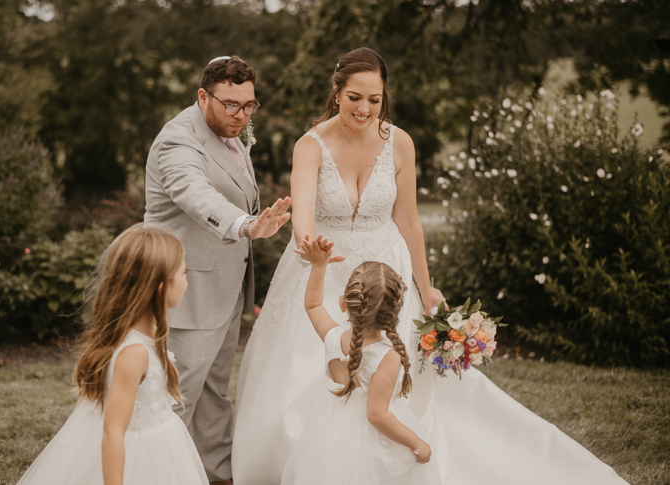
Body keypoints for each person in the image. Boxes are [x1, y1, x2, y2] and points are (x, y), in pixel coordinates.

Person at [233, 47, 629, 485]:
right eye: (354, 98)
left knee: (397, 372)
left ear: (384, 98)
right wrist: (311, 248)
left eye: (375, 99)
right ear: (336, 92)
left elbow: (408, 219)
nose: (364, 109)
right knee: (306, 369)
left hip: (387, 271)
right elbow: (303, 208)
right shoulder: (310, 146)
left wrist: (427, 287)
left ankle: (394, 450)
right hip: (323, 265)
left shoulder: (399, 142)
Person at [143, 55, 291, 484]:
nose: (240, 116)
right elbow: (196, 194)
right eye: (230, 105)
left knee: (213, 392)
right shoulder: (177, 141)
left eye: (249, 106)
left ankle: (214, 473)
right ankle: (161, 475)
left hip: (224, 288)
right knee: (177, 395)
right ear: (203, 96)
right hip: (186, 291)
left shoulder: (230, 133)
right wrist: (247, 225)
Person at [17, 225, 208, 485]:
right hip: (135, 451)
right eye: (184, 273)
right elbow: (113, 433)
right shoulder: (133, 354)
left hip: (161, 439)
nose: (188, 281)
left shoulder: (150, 330)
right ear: (162, 287)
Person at [281, 234, 442, 485]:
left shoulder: (333, 337)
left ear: (344, 304)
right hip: (370, 444)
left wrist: (319, 265)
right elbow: (377, 415)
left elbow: (313, 305)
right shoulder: (388, 356)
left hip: (330, 432)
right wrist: (415, 443)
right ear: (396, 312)